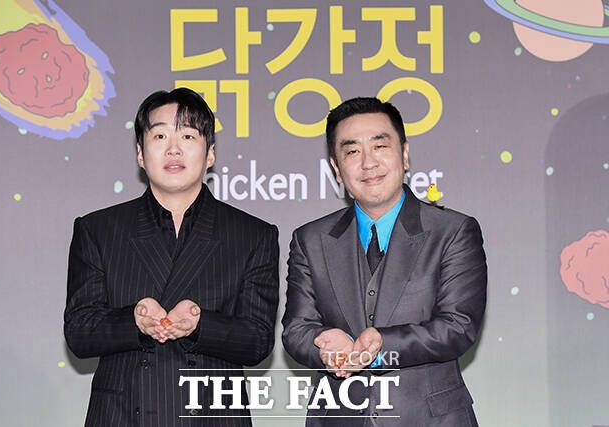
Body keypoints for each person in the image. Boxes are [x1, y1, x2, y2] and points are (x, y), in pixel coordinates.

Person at [64, 87, 279, 426]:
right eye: (160, 135)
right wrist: (133, 320)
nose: (173, 148)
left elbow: (258, 341)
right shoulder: (98, 229)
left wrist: (200, 324)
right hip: (122, 416)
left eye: (188, 135)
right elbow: (79, 332)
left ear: (210, 154)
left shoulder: (253, 234)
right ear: (140, 153)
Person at [282, 97, 487, 426]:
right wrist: (324, 346)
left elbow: (458, 326)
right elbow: (296, 330)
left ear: (404, 154)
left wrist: (382, 345)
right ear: (336, 167)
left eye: (380, 146)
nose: (368, 163)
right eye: (352, 151)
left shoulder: (453, 231)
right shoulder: (310, 239)